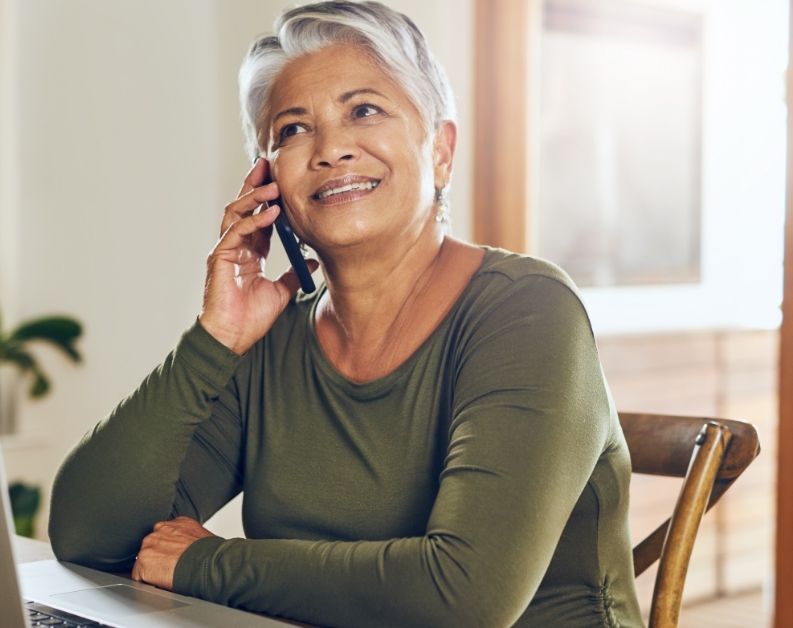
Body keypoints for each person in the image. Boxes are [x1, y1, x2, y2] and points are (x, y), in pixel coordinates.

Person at [49, 2, 643, 626]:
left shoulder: (528, 310)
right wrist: (215, 338)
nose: (330, 149)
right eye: (292, 130)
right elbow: (91, 538)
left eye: (364, 110)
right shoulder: (273, 337)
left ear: (440, 149)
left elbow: (463, 597)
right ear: (266, 181)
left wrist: (208, 564)